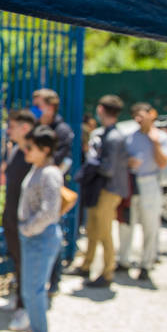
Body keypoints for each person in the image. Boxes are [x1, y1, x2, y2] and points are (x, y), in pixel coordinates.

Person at [70, 95, 129, 288]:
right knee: (93, 230)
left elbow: (108, 168)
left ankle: (107, 272)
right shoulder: (105, 133)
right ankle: (87, 265)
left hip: (108, 190)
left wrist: (92, 165)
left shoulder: (113, 137)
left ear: (102, 110)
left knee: (104, 233)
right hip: (100, 189)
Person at [18, 125, 64, 332]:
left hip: (40, 236)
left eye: (30, 147)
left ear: (45, 149)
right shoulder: (37, 168)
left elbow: (49, 211)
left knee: (34, 289)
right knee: (29, 288)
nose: (26, 151)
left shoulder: (50, 173)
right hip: (32, 236)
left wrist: (27, 228)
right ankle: (35, 327)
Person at [118, 103, 167, 281]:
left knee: (150, 225)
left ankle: (146, 263)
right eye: (135, 116)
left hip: (150, 183)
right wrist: (128, 162)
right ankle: (123, 259)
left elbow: (163, 162)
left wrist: (154, 141)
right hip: (131, 183)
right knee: (126, 222)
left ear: (151, 114)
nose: (138, 119)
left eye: (141, 115)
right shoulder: (129, 136)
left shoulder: (162, 137)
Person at [32, 88, 74, 294]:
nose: (35, 109)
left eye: (38, 105)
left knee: (51, 232)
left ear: (50, 107)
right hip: (32, 189)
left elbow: (62, 161)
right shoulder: (36, 127)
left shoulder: (62, 130)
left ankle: (54, 279)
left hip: (50, 190)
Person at [0, 109, 36, 331]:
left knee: (26, 264)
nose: (8, 130)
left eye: (12, 126)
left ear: (25, 128)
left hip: (24, 218)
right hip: (11, 214)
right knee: (17, 260)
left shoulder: (33, 153)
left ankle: (26, 308)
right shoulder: (15, 150)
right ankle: (19, 298)